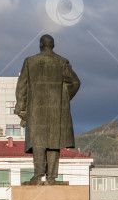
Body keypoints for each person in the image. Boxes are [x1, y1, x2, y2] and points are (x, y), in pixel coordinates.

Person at [15, 34, 81, 185]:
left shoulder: (30, 61)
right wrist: (63, 98)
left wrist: (21, 109)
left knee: (38, 141)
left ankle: (38, 175)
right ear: (53, 45)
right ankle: (51, 177)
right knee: (54, 142)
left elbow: (22, 87)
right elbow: (76, 82)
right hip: (57, 110)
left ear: (40, 45)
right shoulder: (62, 62)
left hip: (35, 109)